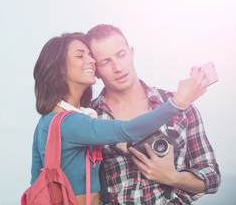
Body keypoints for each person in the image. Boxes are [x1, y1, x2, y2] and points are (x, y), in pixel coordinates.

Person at [30, 32, 208, 205]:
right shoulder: (72, 122)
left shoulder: (46, 123)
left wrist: (174, 177)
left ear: (131, 53)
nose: (91, 61)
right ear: (60, 67)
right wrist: (177, 103)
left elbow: (35, 184)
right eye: (80, 56)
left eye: (91, 56)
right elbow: (128, 130)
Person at [87, 24, 221, 205]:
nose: (118, 67)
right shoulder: (88, 118)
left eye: (121, 55)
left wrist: (173, 177)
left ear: (131, 52)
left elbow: (212, 177)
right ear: (95, 69)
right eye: (105, 62)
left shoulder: (181, 105)